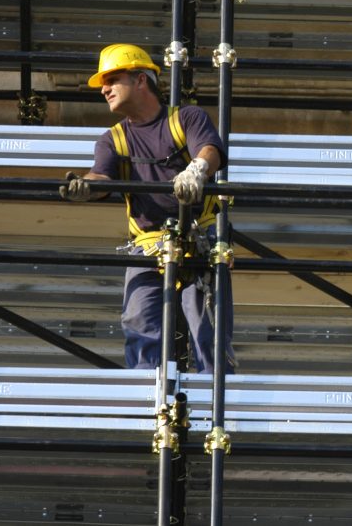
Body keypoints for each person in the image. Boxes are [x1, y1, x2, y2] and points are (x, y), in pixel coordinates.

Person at [59, 43, 234, 373]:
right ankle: (148, 405)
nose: (105, 89)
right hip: (148, 243)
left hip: (198, 237)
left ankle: (213, 403)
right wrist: (86, 187)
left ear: (141, 79)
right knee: (139, 322)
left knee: (205, 326)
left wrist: (196, 169)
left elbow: (210, 150)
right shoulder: (113, 139)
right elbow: (101, 176)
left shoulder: (185, 118)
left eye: (112, 79)